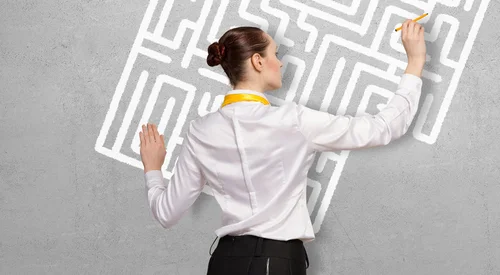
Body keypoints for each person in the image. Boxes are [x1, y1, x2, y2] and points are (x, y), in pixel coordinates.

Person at [139, 19, 426, 274]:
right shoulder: (293, 121)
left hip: (224, 262)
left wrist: (153, 169)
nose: (280, 62)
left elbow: (166, 213)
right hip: (276, 262)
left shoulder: (200, 130)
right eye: (275, 54)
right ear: (257, 61)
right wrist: (415, 62)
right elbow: (383, 128)